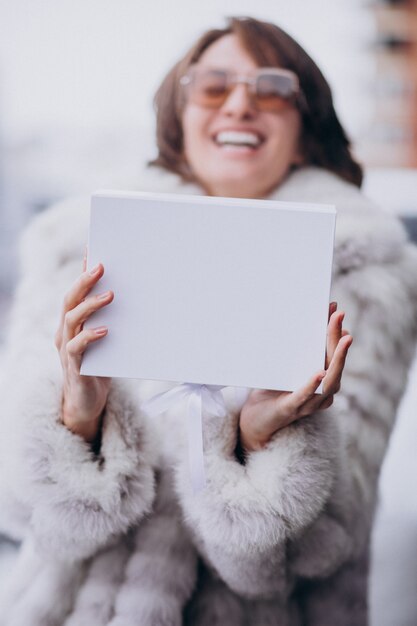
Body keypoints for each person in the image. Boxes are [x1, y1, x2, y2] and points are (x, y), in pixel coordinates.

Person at [0, 15, 416, 626]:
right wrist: (78, 414)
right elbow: (15, 510)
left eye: (273, 88)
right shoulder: (76, 247)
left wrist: (259, 439)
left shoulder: (364, 272)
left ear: (304, 129)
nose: (241, 103)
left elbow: (324, 550)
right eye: (214, 86)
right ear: (179, 115)